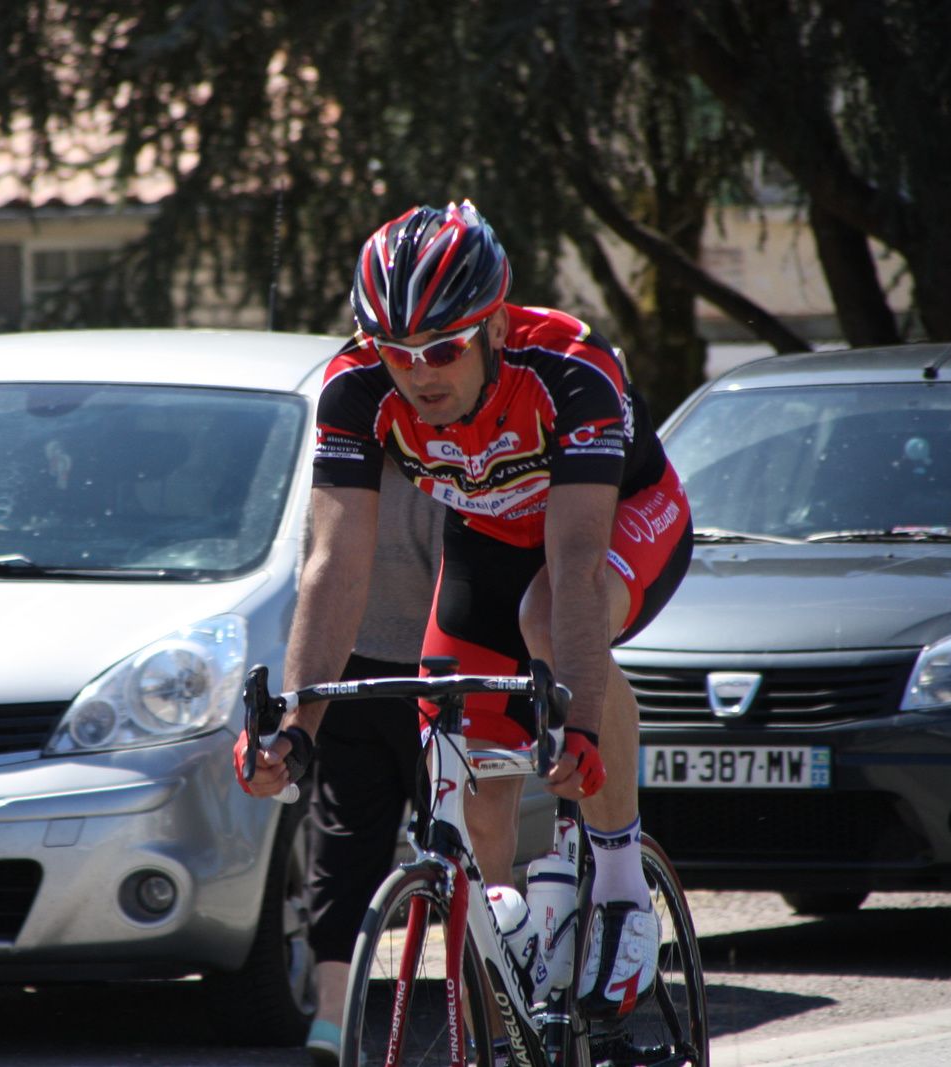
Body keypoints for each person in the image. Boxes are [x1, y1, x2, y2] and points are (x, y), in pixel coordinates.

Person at [237, 200, 693, 1024]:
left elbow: (579, 564)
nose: (420, 373)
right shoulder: (356, 387)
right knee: (455, 720)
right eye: (396, 350)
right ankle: (512, 937)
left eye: (443, 347)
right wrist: (295, 725)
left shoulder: (571, 369)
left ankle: (622, 885)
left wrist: (579, 720)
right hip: (490, 534)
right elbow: (335, 563)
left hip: (617, 521)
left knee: (549, 620)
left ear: (493, 325)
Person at [293, 456, 442, 1061]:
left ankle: (331, 1018)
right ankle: (482, 1005)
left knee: (345, 845)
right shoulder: (449, 458)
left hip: (352, 672)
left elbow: (317, 567)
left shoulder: (342, 463)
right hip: (440, 676)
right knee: (471, 846)